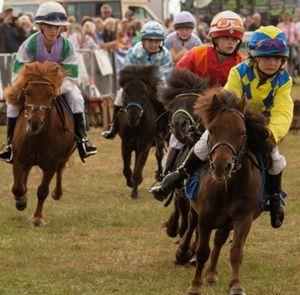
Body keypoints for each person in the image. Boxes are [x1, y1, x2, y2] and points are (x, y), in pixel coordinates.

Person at [152, 26, 294, 229]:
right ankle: (177, 177)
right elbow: (229, 99)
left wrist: (272, 132)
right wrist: (227, 123)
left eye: (277, 58)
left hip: (262, 127)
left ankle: (274, 198)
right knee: (201, 145)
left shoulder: (284, 81)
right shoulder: (239, 71)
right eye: (267, 57)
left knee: (277, 161)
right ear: (254, 57)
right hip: (234, 121)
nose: (272, 63)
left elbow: (283, 110)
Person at [0, 1, 97, 162]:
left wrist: (57, 89)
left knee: (77, 99)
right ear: (41, 26)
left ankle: (82, 140)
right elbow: (18, 73)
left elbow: (72, 75)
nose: (53, 31)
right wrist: (26, 88)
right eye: (50, 26)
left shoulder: (67, 45)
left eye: (57, 27)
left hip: (59, 85)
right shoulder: (29, 44)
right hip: (30, 85)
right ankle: (10, 145)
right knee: (11, 104)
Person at [162, 11, 246, 178]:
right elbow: (177, 77)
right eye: (225, 38)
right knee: (177, 137)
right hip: (196, 109)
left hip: (224, 114)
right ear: (214, 39)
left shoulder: (242, 63)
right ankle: (167, 176)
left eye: (235, 39)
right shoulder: (197, 54)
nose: (231, 42)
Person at [102, 21, 173, 139]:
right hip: (136, 84)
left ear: (161, 41)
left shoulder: (165, 54)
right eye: (150, 40)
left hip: (156, 84)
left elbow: (165, 73)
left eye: (156, 41)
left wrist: (151, 81)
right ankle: (113, 127)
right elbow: (127, 69)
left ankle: (167, 128)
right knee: (119, 97)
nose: (153, 44)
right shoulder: (134, 51)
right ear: (143, 40)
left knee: (166, 100)